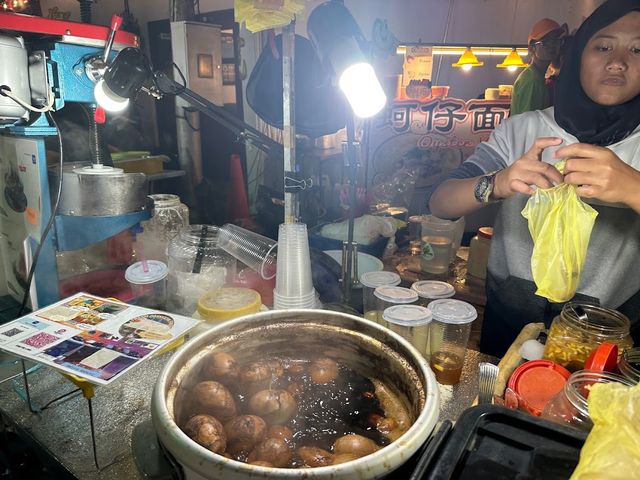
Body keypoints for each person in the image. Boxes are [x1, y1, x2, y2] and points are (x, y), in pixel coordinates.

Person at [428, 0, 640, 356]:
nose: (617, 62)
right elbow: (440, 202)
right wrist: (497, 182)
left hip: (608, 338)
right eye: (603, 46)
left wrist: (632, 188)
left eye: (638, 49)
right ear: (577, 55)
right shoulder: (523, 131)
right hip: (510, 326)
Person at [510, 18, 567, 115]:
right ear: (532, 49)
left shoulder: (538, 77)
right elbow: (528, 126)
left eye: (555, 41)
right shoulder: (532, 81)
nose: (552, 46)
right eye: (545, 42)